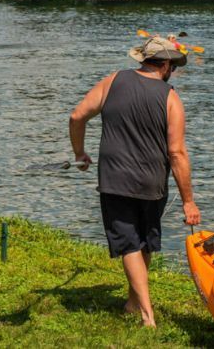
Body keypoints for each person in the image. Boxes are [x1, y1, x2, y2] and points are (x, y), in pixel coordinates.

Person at [69, 35, 201, 328]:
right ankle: (141, 309)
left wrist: (80, 153)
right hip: (153, 183)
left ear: (143, 60)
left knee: (129, 243)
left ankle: (141, 309)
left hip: (115, 179)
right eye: (173, 67)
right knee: (143, 242)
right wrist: (189, 200)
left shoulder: (113, 81)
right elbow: (177, 152)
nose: (173, 72)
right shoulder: (171, 98)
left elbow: (77, 116)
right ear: (165, 64)